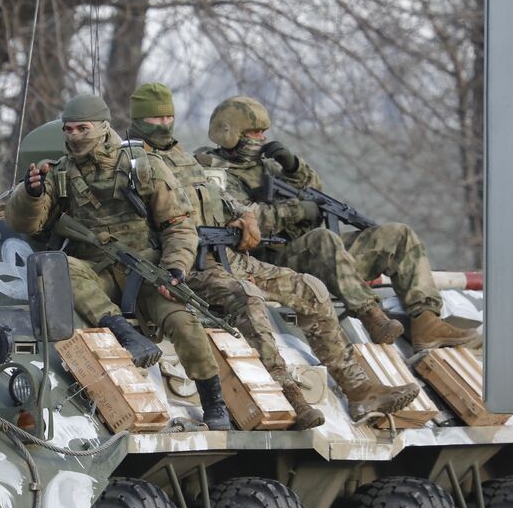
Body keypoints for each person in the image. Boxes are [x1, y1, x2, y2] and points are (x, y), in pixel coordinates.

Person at [127, 83, 422, 427]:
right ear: (137, 119)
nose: (163, 123)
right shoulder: (133, 162)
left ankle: (359, 391)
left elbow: (215, 196)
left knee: (310, 288)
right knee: (248, 299)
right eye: (154, 117)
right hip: (187, 266)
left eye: (168, 116)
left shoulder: (181, 157)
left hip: (227, 255)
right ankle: (291, 396)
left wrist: (241, 213)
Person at [5, 93, 233, 431]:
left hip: (147, 271)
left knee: (185, 325)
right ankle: (124, 333)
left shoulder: (143, 166)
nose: (74, 136)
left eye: (83, 128)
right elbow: (25, 224)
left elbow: (179, 225)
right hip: (96, 272)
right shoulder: (60, 174)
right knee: (56, 265)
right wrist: (31, 194)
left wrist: (175, 270)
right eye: (68, 129)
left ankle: (214, 402)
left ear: (102, 127)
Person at [193, 97, 479, 350]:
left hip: (314, 255)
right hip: (268, 260)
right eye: (254, 132)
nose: (261, 137)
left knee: (398, 235)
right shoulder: (212, 172)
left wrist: (293, 165)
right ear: (230, 134)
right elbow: (243, 220)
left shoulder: (265, 165)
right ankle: (372, 316)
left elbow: (312, 189)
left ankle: (426, 321)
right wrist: (296, 212)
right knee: (323, 239)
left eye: (263, 132)